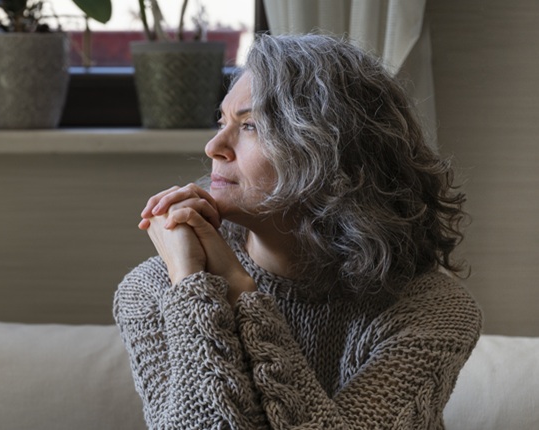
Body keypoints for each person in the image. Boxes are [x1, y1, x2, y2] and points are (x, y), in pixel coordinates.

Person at [113, 34, 482, 429]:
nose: (214, 146)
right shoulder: (154, 289)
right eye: (222, 121)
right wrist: (193, 286)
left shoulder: (431, 309)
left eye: (250, 125)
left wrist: (239, 292)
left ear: (332, 152)